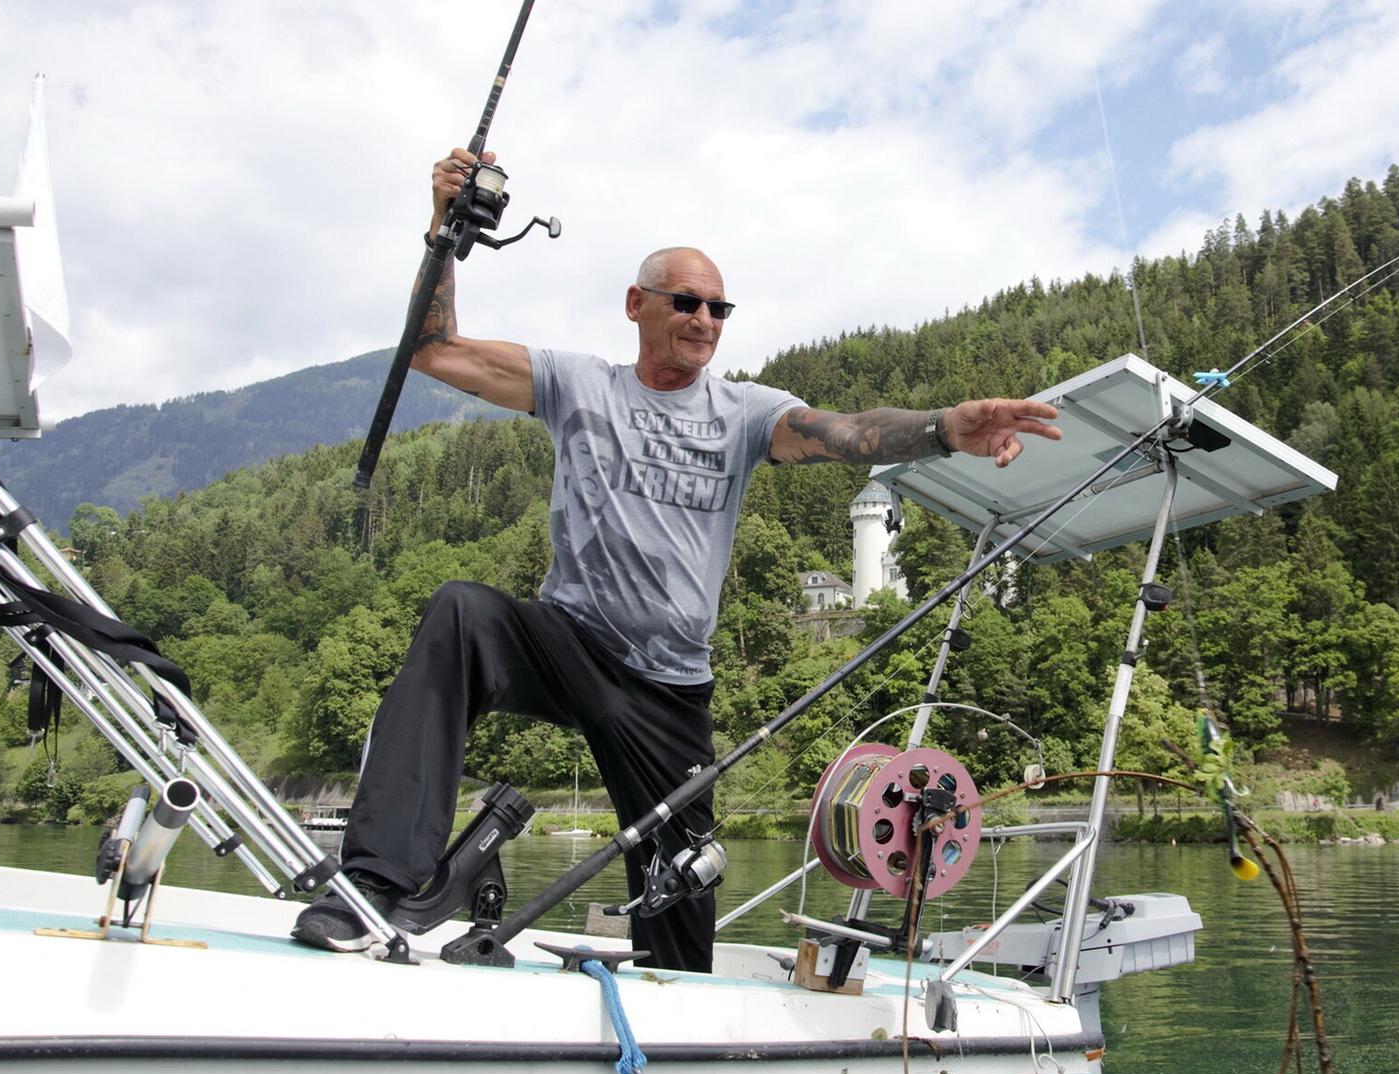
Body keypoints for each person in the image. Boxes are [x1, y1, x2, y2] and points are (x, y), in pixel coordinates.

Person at [291, 147, 1060, 970]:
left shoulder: (744, 412)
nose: (704, 320)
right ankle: (374, 882)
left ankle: (671, 993)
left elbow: (849, 432)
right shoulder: (576, 383)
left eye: (720, 308)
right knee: (461, 613)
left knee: (683, 928)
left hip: (669, 691)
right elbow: (434, 349)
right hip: (569, 644)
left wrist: (945, 428)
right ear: (637, 304)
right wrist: (444, 226)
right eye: (687, 301)